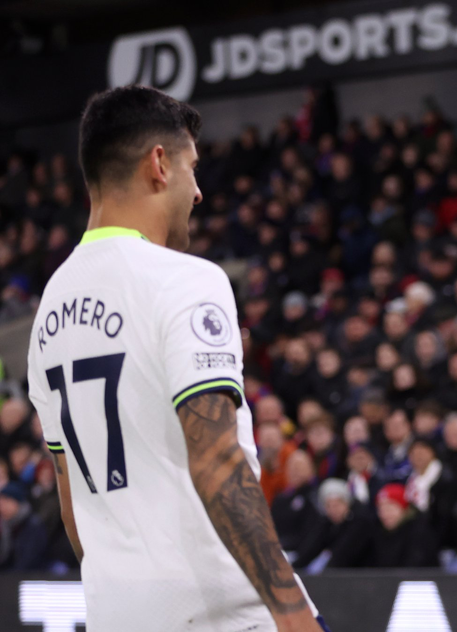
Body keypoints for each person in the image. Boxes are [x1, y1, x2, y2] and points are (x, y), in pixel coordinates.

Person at [25, 87, 325, 631]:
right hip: (223, 615)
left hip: (116, 615)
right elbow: (216, 461)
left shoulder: (48, 311)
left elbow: (72, 504)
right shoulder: (187, 279)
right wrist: (290, 611)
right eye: (193, 168)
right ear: (159, 165)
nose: (199, 191)